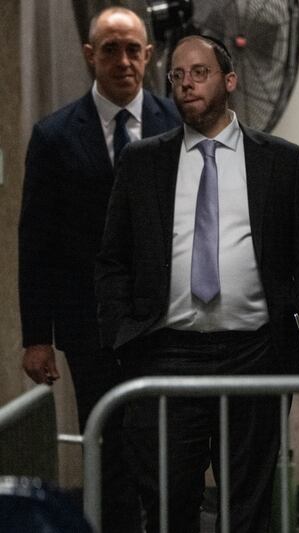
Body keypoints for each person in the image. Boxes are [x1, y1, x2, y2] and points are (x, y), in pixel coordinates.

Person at [94, 35, 299, 533]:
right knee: (170, 503)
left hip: (255, 357)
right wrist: (123, 339)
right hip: (167, 355)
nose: (186, 83)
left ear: (230, 80)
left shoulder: (280, 161)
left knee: (249, 508)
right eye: (177, 75)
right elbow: (113, 260)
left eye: (200, 72)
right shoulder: (142, 162)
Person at [18, 7, 180, 532]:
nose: (123, 60)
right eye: (110, 48)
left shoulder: (178, 125)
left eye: (133, 49)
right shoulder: (54, 135)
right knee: (106, 451)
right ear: (91, 55)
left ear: (149, 55)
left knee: (167, 453)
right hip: (89, 327)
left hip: (167, 322)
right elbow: (36, 240)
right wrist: (36, 337)